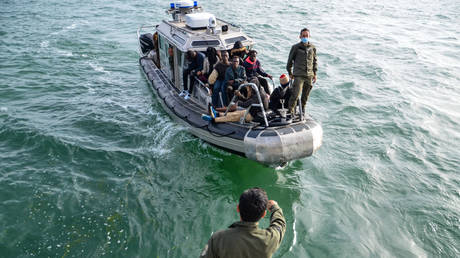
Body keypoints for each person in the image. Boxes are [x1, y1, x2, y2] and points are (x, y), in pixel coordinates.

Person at [200, 187, 286, 258]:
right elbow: (279, 224)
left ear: (238, 208)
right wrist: (275, 208)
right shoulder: (270, 239)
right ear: (263, 214)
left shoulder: (218, 238)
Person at [286, 27, 317, 115]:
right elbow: (290, 61)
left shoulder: (313, 48)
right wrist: (290, 73)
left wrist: (315, 74)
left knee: (305, 96)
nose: (305, 37)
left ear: (309, 36)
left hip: (309, 75)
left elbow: (314, 61)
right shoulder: (295, 47)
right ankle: (290, 112)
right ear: (300, 36)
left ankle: (302, 110)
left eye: (306, 35)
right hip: (298, 75)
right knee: (295, 95)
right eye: (303, 35)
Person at [202, 83, 268, 123]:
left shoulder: (258, 96)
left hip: (254, 116)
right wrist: (240, 97)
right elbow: (248, 101)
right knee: (235, 113)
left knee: (235, 116)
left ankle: (214, 120)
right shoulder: (259, 92)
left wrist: (238, 103)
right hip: (252, 111)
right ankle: (217, 114)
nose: (248, 90)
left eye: (249, 88)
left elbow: (245, 104)